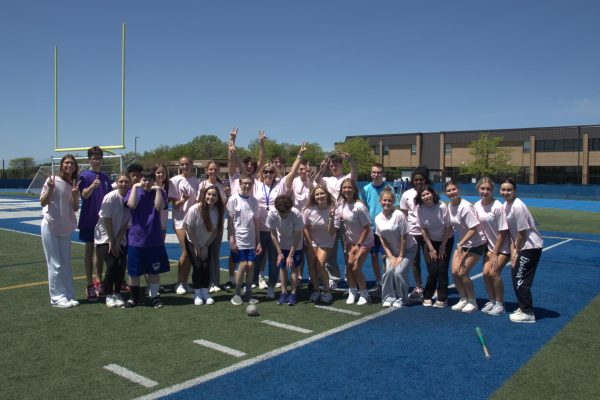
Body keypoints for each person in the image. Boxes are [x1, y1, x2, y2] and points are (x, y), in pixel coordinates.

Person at [252, 143, 307, 299]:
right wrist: (261, 144)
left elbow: (292, 173)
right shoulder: (256, 185)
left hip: (275, 229)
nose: (268, 174)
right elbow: (257, 162)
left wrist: (299, 155)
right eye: (266, 172)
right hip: (260, 228)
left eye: (271, 172)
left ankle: (271, 287)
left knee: (274, 260)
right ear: (262, 174)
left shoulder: (280, 185)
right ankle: (250, 285)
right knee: (255, 260)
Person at [500, 178, 544, 323]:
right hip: (522, 246)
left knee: (520, 278)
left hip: (530, 246)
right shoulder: (507, 205)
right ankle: (522, 306)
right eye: (503, 189)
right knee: (516, 275)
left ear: (515, 191)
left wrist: (516, 251)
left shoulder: (517, 206)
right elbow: (512, 232)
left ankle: (528, 312)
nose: (505, 192)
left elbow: (521, 233)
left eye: (509, 190)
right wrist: (513, 250)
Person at [124, 169, 170, 308]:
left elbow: (159, 206)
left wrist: (158, 189)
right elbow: (131, 205)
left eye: (149, 180)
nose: (146, 182)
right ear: (140, 180)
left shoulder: (159, 192)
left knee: (153, 271)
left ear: (153, 181)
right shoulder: (134, 191)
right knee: (134, 272)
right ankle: (134, 298)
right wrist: (134, 186)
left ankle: (154, 296)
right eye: (144, 180)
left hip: (153, 239)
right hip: (136, 239)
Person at [40, 155, 80, 308]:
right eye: (66, 163)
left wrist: (75, 195)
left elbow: (75, 207)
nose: (69, 165)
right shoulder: (52, 180)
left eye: (72, 163)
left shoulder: (74, 184)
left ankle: (69, 294)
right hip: (50, 224)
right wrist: (50, 190)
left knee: (66, 263)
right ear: (61, 165)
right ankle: (57, 298)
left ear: (75, 166)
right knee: (54, 263)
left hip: (65, 226)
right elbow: (42, 202)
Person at [314, 152, 358, 289]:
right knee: (331, 250)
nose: (334, 166)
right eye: (331, 165)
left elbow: (354, 172)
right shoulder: (327, 180)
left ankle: (349, 274)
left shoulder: (346, 178)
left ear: (341, 165)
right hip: (331, 219)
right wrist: (321, 169)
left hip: (345, 219)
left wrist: (350, 160)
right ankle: (333, 277)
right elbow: (316, 180)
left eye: (336, 164)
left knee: (347, 249)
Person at [445, 180, 488, 313]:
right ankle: (463, 298)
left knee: (462, 273)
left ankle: (472, 301)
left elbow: (474, 228)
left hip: (476, 243)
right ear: (445, 193)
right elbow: (450, 227)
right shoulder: (450, 206)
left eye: (454, 189)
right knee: (454, 273)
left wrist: (461, 242)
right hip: (463, 244)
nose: (452, 192)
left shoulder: (466, 206)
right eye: (448, 190)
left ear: (458, 190)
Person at [78, 146, 112, 301]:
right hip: (89, 218)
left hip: (103, 219)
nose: (97, 160)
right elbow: (83, 195)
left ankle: (98, 281)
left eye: (99, 157)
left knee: (101, 252)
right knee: (89, 249)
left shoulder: (105, 177)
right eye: (94, 158)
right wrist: (92, 186)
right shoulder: (84, 175)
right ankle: (89, 283)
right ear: (89, 159)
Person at [94, 173, 131, 308]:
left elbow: (125, 224)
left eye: (126, 181)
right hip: (104, 236)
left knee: (121, 264)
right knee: (111, 264)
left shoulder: (130, 199)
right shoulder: (110, 197)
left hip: (119, 238)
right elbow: (106, 219)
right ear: (117, 182)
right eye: (121, 181)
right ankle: (108, 293)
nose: (124, 184)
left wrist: (117, 241)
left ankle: (117, 293)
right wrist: (111, 241)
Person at [375, 187, 417, 308]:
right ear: (380, 201)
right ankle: (388, 297)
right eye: (384, 200)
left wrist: (400, 256)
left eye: (389, 200)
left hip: (408, 249)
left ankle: (402, 298)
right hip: (392, 251)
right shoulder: (378, 218)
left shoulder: (399, 215)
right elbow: (382, 238)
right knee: (388, 271)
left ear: (393, 202)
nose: (387, 203)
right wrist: (390, 255)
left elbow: (404, 237)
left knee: (399, 272)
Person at [474, 177, 510, 316]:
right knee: (485, 273)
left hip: (503, 247)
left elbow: (502, 232)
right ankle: (492, 301)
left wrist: (495, 252)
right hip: (489, 247)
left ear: (492, 190)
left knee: (493, 273)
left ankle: (500, 304)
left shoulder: (497, 207)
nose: (485, 191)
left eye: (488, 189)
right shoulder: (476, 205)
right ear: (478, 189)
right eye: (482, 188)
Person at [184, 186, 225, 305]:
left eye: (214, 195)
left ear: (217, 198)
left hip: (206, 242)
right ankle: (197, 294)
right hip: (192, 241)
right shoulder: (195, 209)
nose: (211, 197)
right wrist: (197, 246)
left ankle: (205, 292)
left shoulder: (218, 211)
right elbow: (189, 228)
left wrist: (206, 245)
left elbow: (216, 231)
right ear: (204, 195)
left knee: (206, 266)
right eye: (209, 194)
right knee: (198, 266)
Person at [415, 184, 454, 308]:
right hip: (431, 241)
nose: (426, 197)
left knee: (442, 268)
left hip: (445, 240)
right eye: (423, 195)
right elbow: (423, 229)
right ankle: (427, 295)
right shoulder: (420, 208)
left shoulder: (442, 206)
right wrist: (431, 248)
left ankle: (442, 297)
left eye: (428, 194)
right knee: (433, 269)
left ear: (433, 194)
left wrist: (443, 246)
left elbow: (448, 227)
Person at [360, 162, 396, 295]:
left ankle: (389, 281)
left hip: (386, 228)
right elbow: (363, 206)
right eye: (374, 172)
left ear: (382, 174)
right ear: (371, 173)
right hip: (371, 228)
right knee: (374, 255)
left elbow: (393, 207)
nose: (376, 174)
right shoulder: (365, 189)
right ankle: (379, 282)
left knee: (385, 256)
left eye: (379, 172)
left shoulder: (388, 189)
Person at [227, 174, 262, 305]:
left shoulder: (254, 201)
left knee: (251, 265)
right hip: (238, 238)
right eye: (244, 183)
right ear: (240, 184)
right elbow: (230, 222)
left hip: (251, 238)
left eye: (249, 184)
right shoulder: (233, 200)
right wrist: (231, 238)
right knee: (243, 264)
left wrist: (258, 241)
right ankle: (237, 293)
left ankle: (248, 293)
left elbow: (256, 222)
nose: (247, 186)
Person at [339, 178, 374, 305]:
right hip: (350, 241)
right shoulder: (342, 204)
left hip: (364, 242)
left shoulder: (359, 207)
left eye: (349, 187)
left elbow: (367, 228)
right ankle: (352, 291)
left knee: (355, 267)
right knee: (348, 266)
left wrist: (358, 245)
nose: (346, 190)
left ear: (354, 190)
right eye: (344, 188)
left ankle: (364, 293)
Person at [168, 156, 200, 295]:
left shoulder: (196, 181)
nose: (185, 167)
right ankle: (179, 283)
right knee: (186, 251)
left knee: (191, 254)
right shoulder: (174, 181)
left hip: (194, 222)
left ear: (192, 165)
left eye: (187, 164)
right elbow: (174, 205)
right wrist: (183, 200)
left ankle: (185, 282)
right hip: (180, 221)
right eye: (182, 164)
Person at [302, 184, 339, 304]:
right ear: (314, 196)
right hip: (312, 240)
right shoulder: (308, 210)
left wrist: (331, 218)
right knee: (311, 264)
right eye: (317, 194)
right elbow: (305, 227)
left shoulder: (333, 209)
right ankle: (317, 290)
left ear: (327, 195)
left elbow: (331, 232)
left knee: (320, 264)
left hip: (327, 240)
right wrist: (309, 242)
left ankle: (327, 292)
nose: (320, 196)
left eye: (322, 193)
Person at [266, 195, 304, 305]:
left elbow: (298, 235)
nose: (283, 215)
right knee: (282, 267)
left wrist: (291, 254)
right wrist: (279, 252)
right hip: (282, 242)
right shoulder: (272, 214)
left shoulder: (296, 213)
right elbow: (273, 234)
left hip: (295, 244)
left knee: (293, 267)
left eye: (286, 212)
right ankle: (283, 292)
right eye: (281, 213)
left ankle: (293, 293)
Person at [399, 166, 430, 300]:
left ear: (425, 180)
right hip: (413, 233)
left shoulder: (430, 193)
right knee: (415, 262)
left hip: (429, 233)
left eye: (421, 179)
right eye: (416, 180)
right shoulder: (407, 194)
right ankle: (418, 287)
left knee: (430, 261)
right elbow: (404, 214)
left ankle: (431, 286)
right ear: (412, 181)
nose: (418, 182)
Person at [197, 160, 227, 294]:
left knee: (215, 253)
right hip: (205, 225)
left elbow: (223, 205)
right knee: (205, 254)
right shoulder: (203, 185)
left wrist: (228, 194)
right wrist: (202, 193)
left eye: (215, 169)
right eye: (210, 169)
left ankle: (216, 282)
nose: (213, 172)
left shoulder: (221, 185)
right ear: (206, 170)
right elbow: (198, 204)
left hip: (218, 224)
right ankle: (207, 282)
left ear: (218, 170)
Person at [153, 163, 170, 242]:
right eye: (158, 172)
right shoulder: (150, 187)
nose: (161, 174)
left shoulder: (166, 187)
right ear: (154, 173)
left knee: (161, 246)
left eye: (163, 172)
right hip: (152, 224)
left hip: (163, 224)